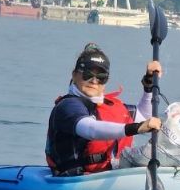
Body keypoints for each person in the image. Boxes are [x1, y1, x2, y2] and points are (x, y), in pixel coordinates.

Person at [45, 43, 162, 175]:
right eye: (87, 74)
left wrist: (149, 84)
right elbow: (90, 129)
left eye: (101, 77)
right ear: (74, 75)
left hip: (107, 175)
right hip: (71, 180)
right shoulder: (68, 106)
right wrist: (136, 128)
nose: (94, 81)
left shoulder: (109, 106)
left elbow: (143, 116)